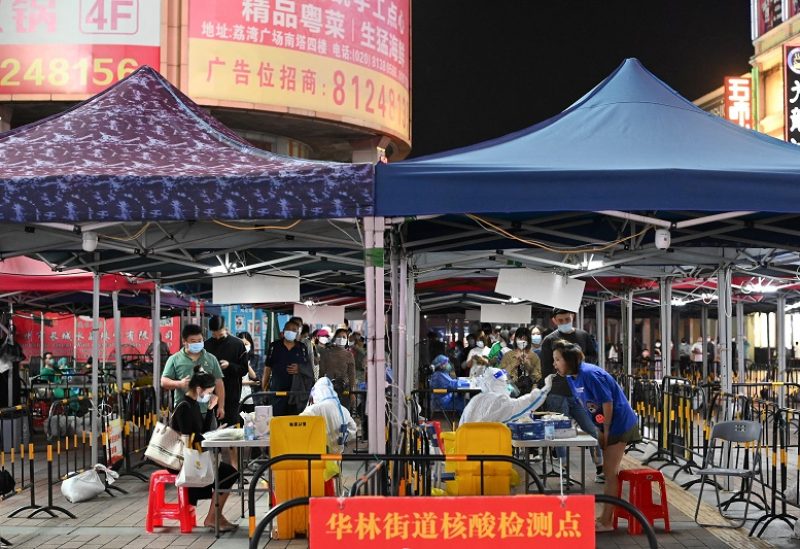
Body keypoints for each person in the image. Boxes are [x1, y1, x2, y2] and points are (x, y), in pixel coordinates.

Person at [552, 339, 641, 533]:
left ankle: (607, 521)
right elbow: (587, 404)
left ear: (569, 361)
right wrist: (596, 428)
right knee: (609, 472)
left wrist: (605, 430)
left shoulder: (590, 374)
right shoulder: (571, 377)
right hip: (605, 424)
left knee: (609, 473)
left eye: (558, 359)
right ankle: (604, 516)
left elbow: (607, 402)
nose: (555, 364)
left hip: (619, 423)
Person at [169, 366, 238, 532]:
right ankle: (213, 517)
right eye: (208, 392)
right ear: (199, 389)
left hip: (196, 455)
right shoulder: (185, 407)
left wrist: (209, 410)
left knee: (230, 473)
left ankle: (215, 516)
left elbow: (201, 432)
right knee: (229, 474)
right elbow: (190, 438)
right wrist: (213, 436)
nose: (209, 395)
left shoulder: (193, 404)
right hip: (184, 460)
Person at [539, 308, 603, 480]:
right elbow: (545, 368)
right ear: (554, 321)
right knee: (560, 433)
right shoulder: (549, 340)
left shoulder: (583, 336)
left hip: (580, 392)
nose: (564, 322)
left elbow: (593, 357)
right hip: (557, 394)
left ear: (572, 316)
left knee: (591, 429)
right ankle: (564, 468)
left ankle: (600, 467)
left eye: (567, 318)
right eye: (560, 320)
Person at [161, 324, 225, 423]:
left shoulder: (211, 358)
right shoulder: (174, 359)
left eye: (200, 341)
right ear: (184, 342)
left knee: (208, 436)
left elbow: (219, 383)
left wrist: (221, 406)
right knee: (185, 438)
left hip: (206, 410)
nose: (197, 344)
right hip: (183, 410)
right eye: (193, 341)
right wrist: (179, 384)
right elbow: (164, 381)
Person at [460, 367, 553, 424]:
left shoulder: (475, 400)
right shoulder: (500, 401)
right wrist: (545, 389)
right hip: (490, 451)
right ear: (499, 383)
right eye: (505, 382)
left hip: (467, 450)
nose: (508, 386)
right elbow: (523, 404)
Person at [262, 319, 314, 416]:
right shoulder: (274, 346)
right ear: (284, 331)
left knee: (294, 422)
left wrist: (299, 368)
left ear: (297, 333)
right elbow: (267, 368)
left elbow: (308, 368)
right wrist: (264, 388)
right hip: (277, 392)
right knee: (277, 421)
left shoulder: (302, 348)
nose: (291, 331)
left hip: (296, 393)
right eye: (288, 329)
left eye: (294, 330)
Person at [204, 316, 248, 427]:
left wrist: (229, 366)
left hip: (231, 393)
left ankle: (230, 445)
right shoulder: (206, 345)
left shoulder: (237, 345)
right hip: (209, 392)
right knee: (208, 427)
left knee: (229, 426)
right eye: (214, 335)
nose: (217, 338)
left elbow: (244, 370)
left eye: (220, 335)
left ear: (225, 329)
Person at [299, 377, 357, 452]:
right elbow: (353, 429)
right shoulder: (344, 410)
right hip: (336, 456)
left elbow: (299, 426)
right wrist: (341, 439)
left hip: (317, 456)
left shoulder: (313, 409)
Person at [318, 328, 357, 408]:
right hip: (329, 389)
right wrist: (319, 388)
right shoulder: (326, 353)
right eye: (339, 336)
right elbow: (321, 373)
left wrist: (352, 392)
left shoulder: (349, 355)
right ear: (335, 338)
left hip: (345, 390)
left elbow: (352, 375)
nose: (341, 339)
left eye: (344, 337)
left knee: (344, 415)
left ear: (347, 340)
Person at [500, 327, 541, 396]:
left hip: (527, 392)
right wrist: (514, 364)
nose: (522, 341)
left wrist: (528, 365)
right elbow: (500, 375)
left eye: (525, 339)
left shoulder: (534, 356)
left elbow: (537, 379)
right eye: (520, 338)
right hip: (511, 391)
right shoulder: (507, 355)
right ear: (515, 339)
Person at [236, 331, 259, 415]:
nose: (244, 347)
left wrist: (245, 361)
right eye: (241, 344)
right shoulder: (234, 359)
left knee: (252, 422)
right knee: (238, 423)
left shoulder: (256, 359)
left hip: (252, 397)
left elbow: (257, 379)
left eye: (245, 344)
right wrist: (250, 382)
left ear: (251, 344)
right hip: (237, 396)